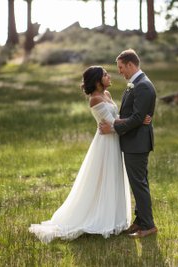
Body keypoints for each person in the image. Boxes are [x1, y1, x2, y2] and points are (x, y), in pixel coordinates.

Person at [29, 66, 151, 243]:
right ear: (97, 81)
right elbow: (111, 124)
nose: (110, 76)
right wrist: (139, 122)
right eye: (105, 75)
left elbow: (118, 120)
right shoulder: (95, 100)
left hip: (115, 141)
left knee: (114, 178)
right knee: (103, 179)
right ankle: (98, 219)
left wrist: (136, 118)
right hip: (106, 144)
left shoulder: (107, 95)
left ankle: (115, 218)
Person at [100, 49, 157, 238]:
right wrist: (139, 119)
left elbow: (138, 117)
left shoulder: (143, 86)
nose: (120, 72)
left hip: (137, 143)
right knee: (138, 183)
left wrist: (114, 127)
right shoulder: (136, 84)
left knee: (139, 184)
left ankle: (148, 226)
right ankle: (140, 221)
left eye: (121, 67)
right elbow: (137, 116)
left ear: (131, 65)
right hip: (134, 141)